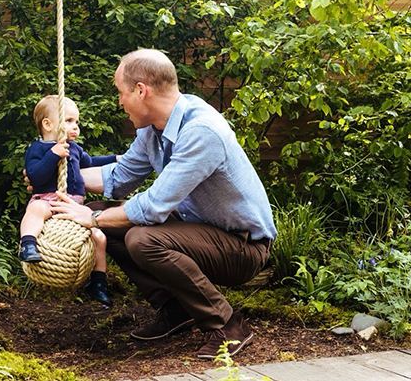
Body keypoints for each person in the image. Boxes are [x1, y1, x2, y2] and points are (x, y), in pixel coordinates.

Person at [48, 49, 278, 359]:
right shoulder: (152, 130)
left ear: (140, 90)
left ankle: (228, 325)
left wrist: (91, 218)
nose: (119, 102)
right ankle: (176, 308)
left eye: (121, 92)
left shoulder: (202, 131)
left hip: (243, 247)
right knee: (107, 215)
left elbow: (153, 206)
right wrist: (53, 178)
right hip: (200, 233)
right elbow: (119, 177)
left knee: (140, 238)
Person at [20, 95, 118, 306]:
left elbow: (91, 162)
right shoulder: (37, 149)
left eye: (77, 122)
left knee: (99, 237)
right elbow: (35, 176)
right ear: (48, 124)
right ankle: (28, 244)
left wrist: (116, 158)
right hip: (48, 200)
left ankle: (98, 283)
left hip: (74, 206)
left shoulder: (74, 148)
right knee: (36, 208)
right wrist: (53, 155)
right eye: (69, 121)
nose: (76, 127)